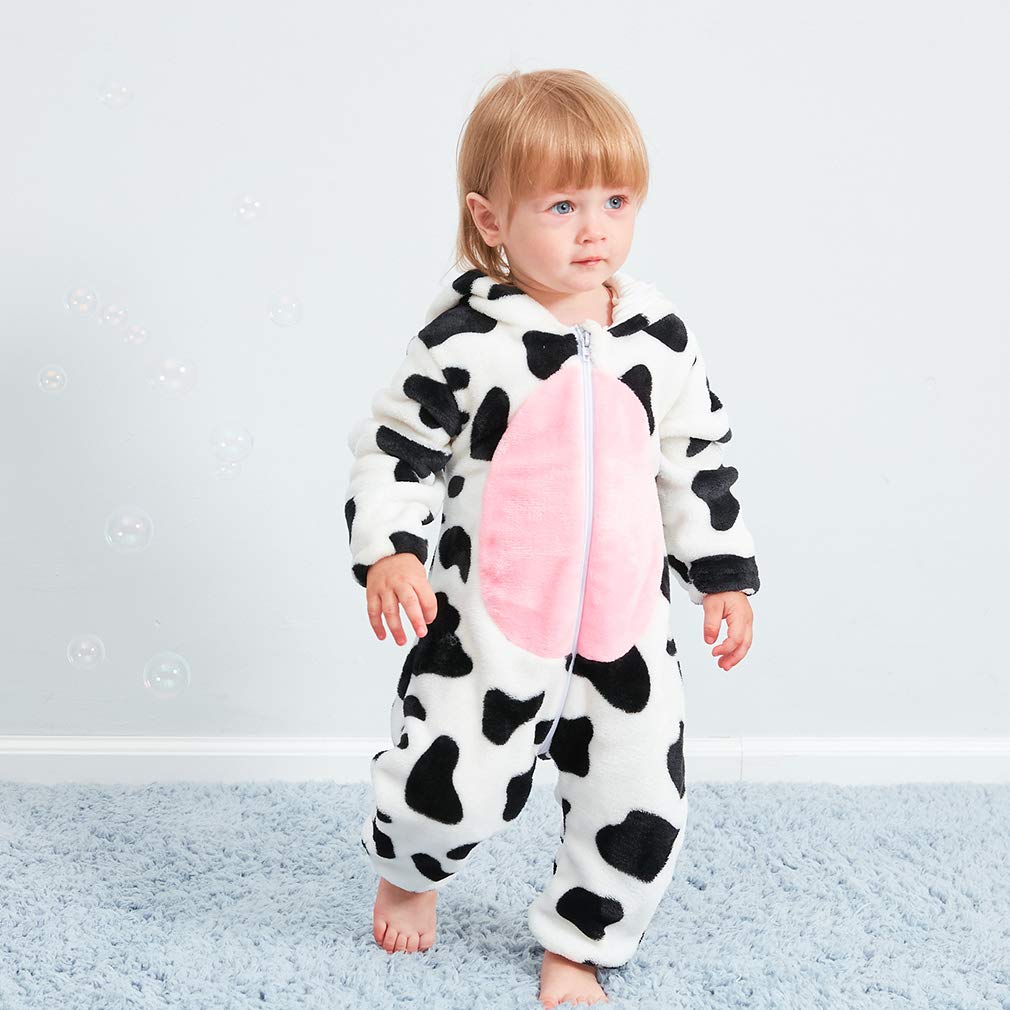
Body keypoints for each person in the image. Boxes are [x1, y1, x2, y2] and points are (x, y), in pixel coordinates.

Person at [344, 67, 761, 1009]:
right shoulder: (463, 339)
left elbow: (697, 459)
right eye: (563, 205)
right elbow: (398, 450)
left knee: (640, 801)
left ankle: (580, 943)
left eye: (616, 201)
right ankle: (409, 870)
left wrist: (723, 576)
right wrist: (393, 551)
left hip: (625, 633)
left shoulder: (659, 337)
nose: (594, 230)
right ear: (491, 220)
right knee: (448, 783)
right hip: (488, 626)